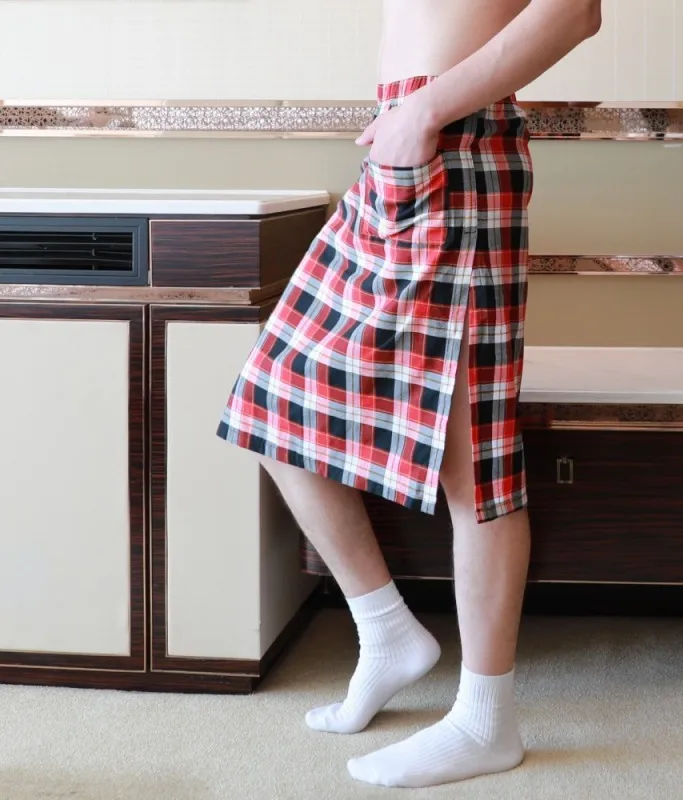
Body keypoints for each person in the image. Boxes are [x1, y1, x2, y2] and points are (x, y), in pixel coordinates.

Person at [217, 0, 602, 788]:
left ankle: (486, 720)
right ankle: (386, 629)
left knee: (473, 462)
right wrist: (409, 119)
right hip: (408, 139)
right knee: (270, 403)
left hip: (450, 134)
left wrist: (425, 110)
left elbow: (574, 10)